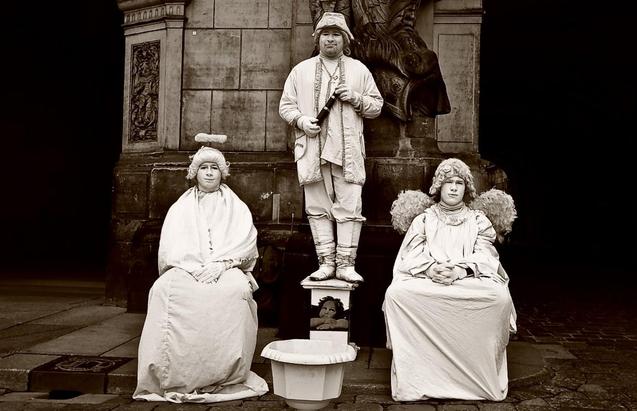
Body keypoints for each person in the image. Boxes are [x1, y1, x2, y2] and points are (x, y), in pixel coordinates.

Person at [133, 142, 268, 403]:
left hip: (226, 265)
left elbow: (246, 241)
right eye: (203, 167)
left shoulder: (236, 206)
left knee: (236, 290)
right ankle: (169, 375)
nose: (208, 173)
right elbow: (172, 244)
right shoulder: (180, 207)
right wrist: (193, 267)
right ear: (195, 173)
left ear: (222, 173)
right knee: (163, 290)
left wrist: (222, 264)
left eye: (214, 168)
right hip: (187, 266)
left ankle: (225, 373)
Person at [383, 158, 517, 401]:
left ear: (467, 188)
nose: (454, 187)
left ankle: (476, 377)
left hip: (468, 279)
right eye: (448, 182)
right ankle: (420, 378)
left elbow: (486, 256)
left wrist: (460, 271)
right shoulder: (424, 219)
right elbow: (409, 255)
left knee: (498, 298)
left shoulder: (478, 220)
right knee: (397, 295)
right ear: (438, 186)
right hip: (430, 279)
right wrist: (430, 269)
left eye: (459, 182)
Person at [279, 11, 383, 283]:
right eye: (325, 34)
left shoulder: (359, 70)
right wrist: (302, 121)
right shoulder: (300, 70)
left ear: (345, 39)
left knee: (350, 206)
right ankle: (325, 263)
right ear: (317, 38)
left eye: (336, 34)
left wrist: (356, 99)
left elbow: (376, 106)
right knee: (317, 207)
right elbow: (285, 106)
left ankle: (346, 265)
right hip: (312, 149)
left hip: (347, 151)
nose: (330, 39)